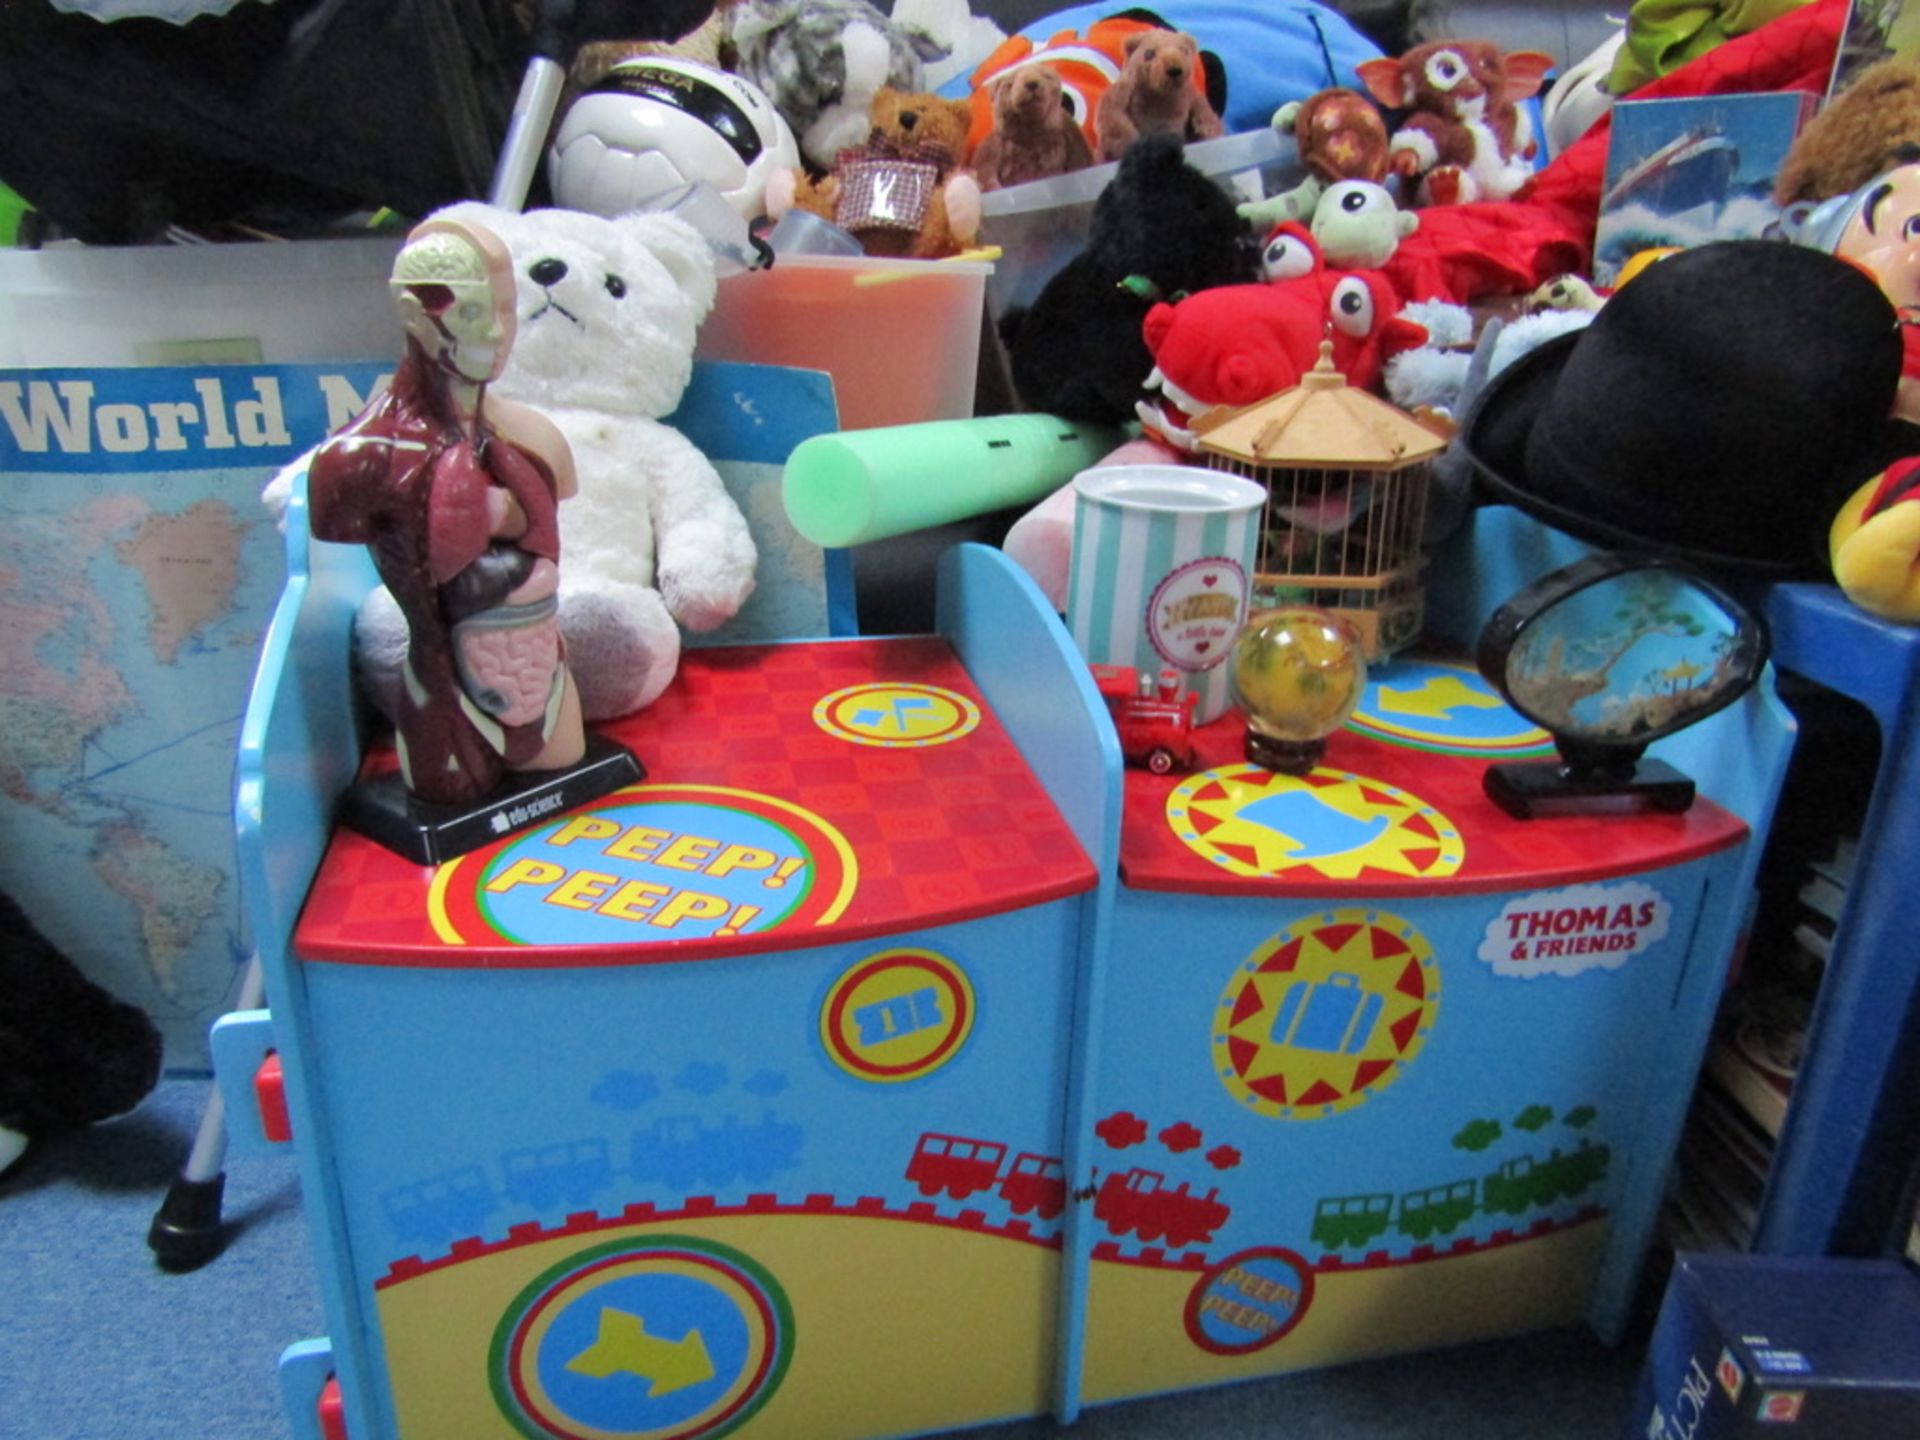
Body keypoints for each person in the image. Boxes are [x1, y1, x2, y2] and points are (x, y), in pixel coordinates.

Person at [308, 215, 585, 807]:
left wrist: (509, 513)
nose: (494, 332)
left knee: (567, 780)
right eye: (468, 311)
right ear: (414, 314)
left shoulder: (535, 440)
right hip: (446, 694)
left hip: (543, 669)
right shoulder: (360, 459)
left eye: (507, 309)